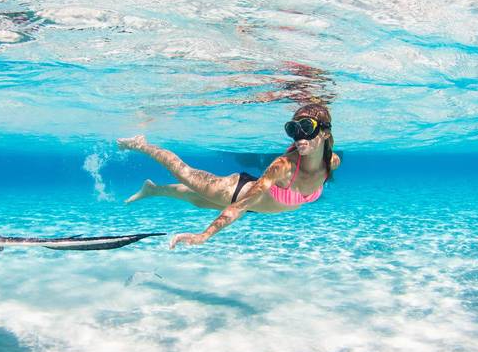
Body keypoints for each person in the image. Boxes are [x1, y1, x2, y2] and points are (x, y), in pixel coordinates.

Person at [118, 103, 340, 247]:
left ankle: (153, 189)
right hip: (233, 193)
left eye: (306, 126)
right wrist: (203, 236)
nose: (299, 135)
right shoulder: (283, 167)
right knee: (184, 173)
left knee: (195, 199)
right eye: (293, 129)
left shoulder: (331, 162)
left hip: (256, 207)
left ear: (325, 131)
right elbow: (240, 206)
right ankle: (141, 145)